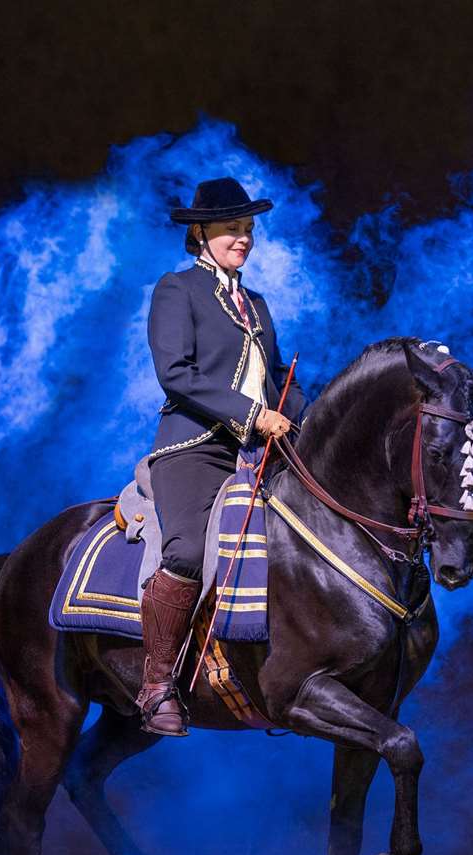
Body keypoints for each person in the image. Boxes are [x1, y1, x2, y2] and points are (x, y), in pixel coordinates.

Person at [135, 177, 307, 737]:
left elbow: (280, 379)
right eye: (233, 228)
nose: (244, 238)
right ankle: (158, 683)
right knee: (186, 550)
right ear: (200, 232)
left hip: (260, 452)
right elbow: (175, 373)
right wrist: (253, 415)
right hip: (196, 446)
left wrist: (301, 420)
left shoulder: (256, 304)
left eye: (249, 228)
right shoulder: (176, 290)